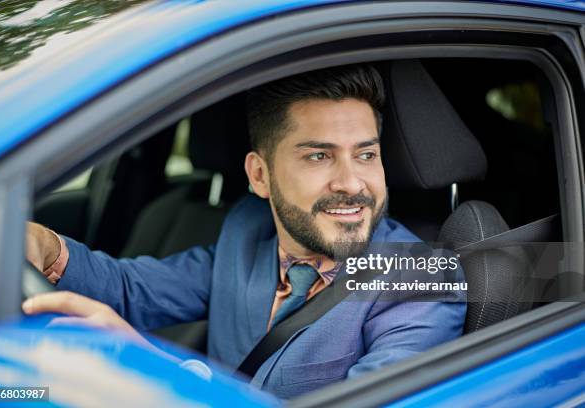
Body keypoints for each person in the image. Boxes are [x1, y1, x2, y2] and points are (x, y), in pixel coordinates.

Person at [24, 64, 466, 399]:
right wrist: (47, 249)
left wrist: (158, 379)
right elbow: (131, 289)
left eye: (366, 155)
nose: (351, 183)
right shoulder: (245, 232)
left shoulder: (423, 278)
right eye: (319, 156)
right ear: (260, 176)